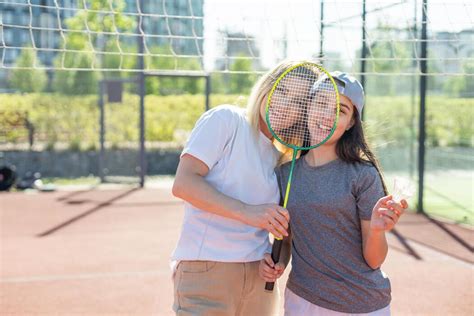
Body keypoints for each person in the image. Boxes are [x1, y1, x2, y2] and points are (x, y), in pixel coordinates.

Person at [258, 71, 408, 315]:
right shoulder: (284, 174)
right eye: (321, 103)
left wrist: (378, 231)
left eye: (340, 110)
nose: (327, 115)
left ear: (350, 123)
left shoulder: (363, 175)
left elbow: (374, 260)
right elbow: (286, 239)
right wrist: (279, 263)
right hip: (300, 300)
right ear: (308, 108)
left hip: (360, 305)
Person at [171, 60, 313, 315]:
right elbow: (184, 183)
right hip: (207, 271)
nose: (285, 106)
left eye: (297, 103)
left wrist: (279, 261)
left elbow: (284, 232)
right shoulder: (226, 120)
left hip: (259, 280)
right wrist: (248, 212)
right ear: (267, 87)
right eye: (282, 91)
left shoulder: (282, 158)